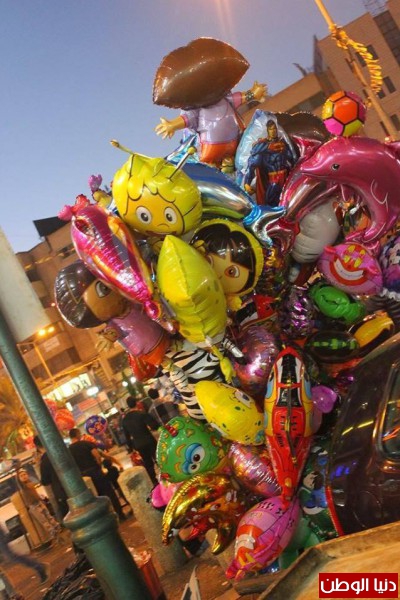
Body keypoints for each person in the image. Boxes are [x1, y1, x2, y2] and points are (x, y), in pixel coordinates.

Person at [68, 428, 126, 521]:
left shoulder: (68, 451)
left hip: (84, 477)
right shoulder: (86, 444)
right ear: (77, 434)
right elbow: (98, 456)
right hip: (95, 471)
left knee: (95, 498)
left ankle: (106, 518)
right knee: (109, 493)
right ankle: (120, 514)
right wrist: (99, 466)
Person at [243, 119, 295, 206]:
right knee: (271, 200)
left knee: (289, 200)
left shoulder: (282, 143)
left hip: (286, 177)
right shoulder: (262, 146)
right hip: (273, 179)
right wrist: (247, 183)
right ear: (267, 130)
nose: (273, 131)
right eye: (271, 129)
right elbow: (252, 163)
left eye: (274, 128)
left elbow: (292, 159)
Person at [122, 397, 159, 485]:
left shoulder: (125, 420)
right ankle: (167, 476)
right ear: (136, 403)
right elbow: (154, 425)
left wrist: (131, 449)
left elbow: (127, 437)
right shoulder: (141, 414)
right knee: (158, 459)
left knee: (148, 463)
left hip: (138, 444)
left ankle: (154, 482)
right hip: (149, 440)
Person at [16, 470, 61, 540]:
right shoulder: (23, 486)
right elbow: (19, 482)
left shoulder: (30, 483)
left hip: (39, 502)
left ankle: (57, 528)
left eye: (25, 474)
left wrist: (41, 499)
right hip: (33, 506)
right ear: (19, 479)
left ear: (28, 475)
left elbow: (34, 493)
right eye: (21, 476)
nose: (24, 476)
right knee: (44, 521)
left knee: (48, 516)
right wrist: (17, 470)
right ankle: (53, 533)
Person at [33, 435, 69, 522]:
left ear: (38, 447)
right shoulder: (59, 452)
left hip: (61, 492)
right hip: (73, 485)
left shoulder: (44, 461)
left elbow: (45, 481)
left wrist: (38, 465)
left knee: (68, 515)